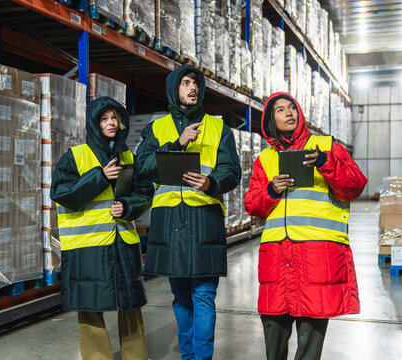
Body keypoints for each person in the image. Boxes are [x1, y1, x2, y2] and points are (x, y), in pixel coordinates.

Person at [244, 92, 368, 360]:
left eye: (292, 108)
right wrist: (271, 190)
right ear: (270, 120)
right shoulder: (264, 159)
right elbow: (252, 204)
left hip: (317, 257)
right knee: (273, 329)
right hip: (277, 258)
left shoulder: (325, 146)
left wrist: (325, 162)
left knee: (311, 336)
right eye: (280, 110)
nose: (288, 113)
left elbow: (355, 185)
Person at [136, 64, 241, 360]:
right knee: (181, 297)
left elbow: (232, 171)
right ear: (174, 89)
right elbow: (142, 167)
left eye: (195, 83)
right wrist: (177, 144)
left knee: (204, 296)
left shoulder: (218, 128)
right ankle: (188, 356)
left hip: (203, 220)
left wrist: (212, 182)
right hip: (169, 222)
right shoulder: (157, 129)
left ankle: (201, 358)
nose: (192, 88)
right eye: (185, 83)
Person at [50, 96, 153, 360]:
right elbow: (62, 193)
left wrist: (128, 207)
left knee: (130, 305)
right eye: (104, 119)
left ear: (120, 123)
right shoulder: (74, 157)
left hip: (123, 243)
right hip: (88, 248)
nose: (110, 123)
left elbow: (144, 191)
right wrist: (99, 177)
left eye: (114, 118)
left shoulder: (128, 157)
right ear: (95, 124)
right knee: (90, 309)